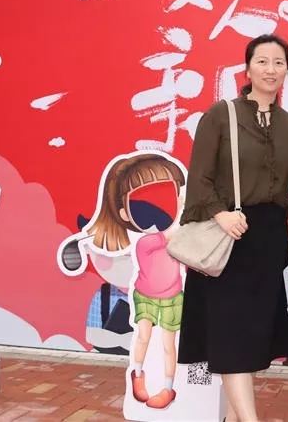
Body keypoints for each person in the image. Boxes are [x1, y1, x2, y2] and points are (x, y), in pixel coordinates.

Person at [178, 34, 288, 422]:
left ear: (287, 71)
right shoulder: (221, 115)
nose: (270, 69)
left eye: (279, 63)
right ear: (248, 68)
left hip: (270, 242)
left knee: (253, 339)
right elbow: (199, 177)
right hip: (228, 235)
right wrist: (220, 213)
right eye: (262, 61)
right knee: (231, 336)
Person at [82, 153, 186, 410]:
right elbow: (171, 233)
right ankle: (138, 374)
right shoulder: (146, 242)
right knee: (143, 337)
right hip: (146, 296)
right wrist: (186, 209)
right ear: (124, 213)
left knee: (169, 344)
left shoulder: (176, 236)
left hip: (173, 296)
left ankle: (168, 387)